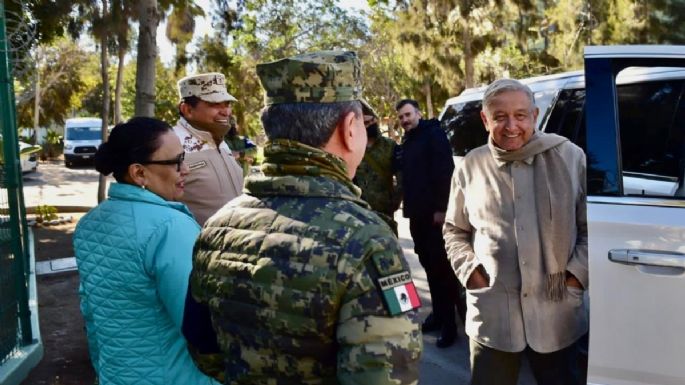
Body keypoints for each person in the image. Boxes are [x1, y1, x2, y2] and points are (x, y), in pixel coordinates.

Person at [184, 50, 422, 384]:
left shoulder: (216, 227)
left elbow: (204, 351)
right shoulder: (368, 241)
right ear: (349, 128)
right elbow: (389, 374)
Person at [443, 78, 588, 385]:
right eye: (500, 117)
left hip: (557, 313)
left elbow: (590, 229)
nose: (511, 126)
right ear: (485, 120)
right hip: (493, 315)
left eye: (520, 116)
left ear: (534, 115)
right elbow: (454, 230)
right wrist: (471, 272)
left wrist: (576, 276)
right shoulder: (471, 166)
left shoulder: (570, 157)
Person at [73, 117, 219, 385]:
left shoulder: (88, 225)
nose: (185, 169)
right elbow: (200, 328)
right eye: (176, 162)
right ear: (139, 173)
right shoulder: (170, 228)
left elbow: (93, 318)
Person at [397, 98, 466, 348]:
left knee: (442, 272)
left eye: (408, 114)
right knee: (428, 268)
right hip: (417, 216)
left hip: (435, 217)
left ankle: (450, 326)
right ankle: (438, 315)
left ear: (418, 113)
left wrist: (441, 208)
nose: (405, 120)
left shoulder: (433, 135)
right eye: (401, 117)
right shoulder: (409, 140)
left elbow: (445, 172)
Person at [174, 72, 244, 225]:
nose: (225, 112)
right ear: (187, 109)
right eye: (214, 104)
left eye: (227, 104)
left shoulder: (221, 141)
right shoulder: (171, 145)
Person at [353, 112, 402, 233]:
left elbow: (402, 175)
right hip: (359, 210)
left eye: (372, 121)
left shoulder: (390, 146)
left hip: (384, 211)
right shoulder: (353, 147)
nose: (371, 124)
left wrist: (395, 200)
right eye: (366, 123)